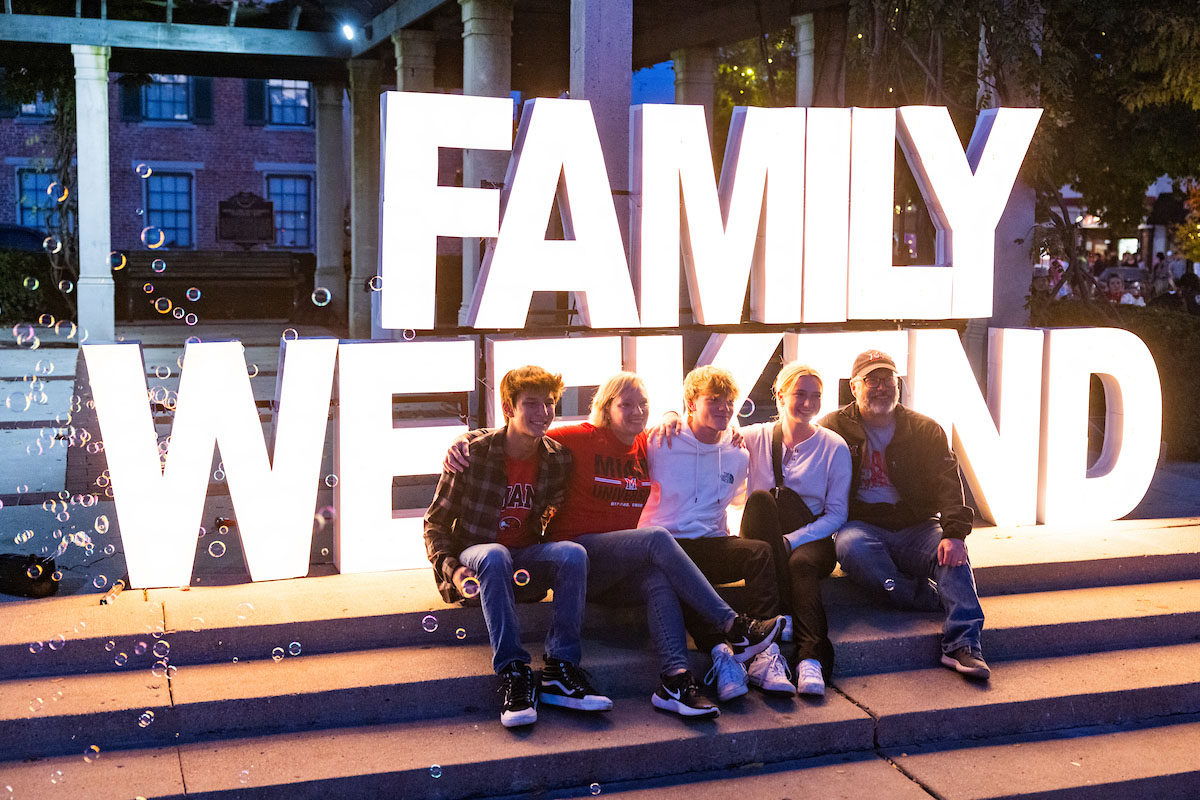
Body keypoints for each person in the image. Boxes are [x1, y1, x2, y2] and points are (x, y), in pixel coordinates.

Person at [442, 372, 784, 719]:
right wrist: (464, 439)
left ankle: (675, 681)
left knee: (657, 578)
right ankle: (733, 625)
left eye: (643, 404)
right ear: (606, 407)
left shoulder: (646, 445)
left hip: (606, 565)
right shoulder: (581, 438)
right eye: (626, 405)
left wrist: (716, 429)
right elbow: (524, 434)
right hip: (572, 554)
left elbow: (689, 429)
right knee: (656, 539)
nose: (637, 411)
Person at [424, 365, 610, 728]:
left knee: (573, 552)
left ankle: (560, 667)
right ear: (508, 408)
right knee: (494, 553)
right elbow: (435, 524)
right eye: (531, 403)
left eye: (550, 403)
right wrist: (453, 569)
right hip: (476, 558)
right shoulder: (473, 453)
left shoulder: (558, 458)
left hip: (523, 560)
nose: (543, 413)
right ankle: (513, 671)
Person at [820, 350, 990, 681]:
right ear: (854, 387)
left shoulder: (925, 429)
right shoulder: (833, 426)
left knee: (953, 556)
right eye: (872, 380)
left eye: (888, 379)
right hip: (862, 526)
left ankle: (963, 644)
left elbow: (948, 484)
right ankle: (922, 596)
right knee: (850, 547)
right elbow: (799, 454)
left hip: (917, 526)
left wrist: (954, 533)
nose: (881, 387)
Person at [640, 366, 784, 702]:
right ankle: (722, 655)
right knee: (680, 571)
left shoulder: (737, 452)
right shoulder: (661, 440)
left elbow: (735, 500)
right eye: (713, 400)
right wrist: (668, 414)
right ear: (691, 403)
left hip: (714, 542)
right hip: (668, 544)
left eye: (729, 401)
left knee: (760, 552)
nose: (723, 407)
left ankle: (764, 652)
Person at [737, 363, 851, 697]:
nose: (808, 402)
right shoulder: (752, 436)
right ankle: (769, 640)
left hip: (812, 537)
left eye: (815, 396)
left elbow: (837, 514)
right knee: (759, 500)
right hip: (763, 537)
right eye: (800, 394)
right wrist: (672, 415)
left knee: (801, 563)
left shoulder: (834, 446)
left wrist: (791, 541)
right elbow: (704, 430)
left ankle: (810, 660)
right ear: (781, 394)